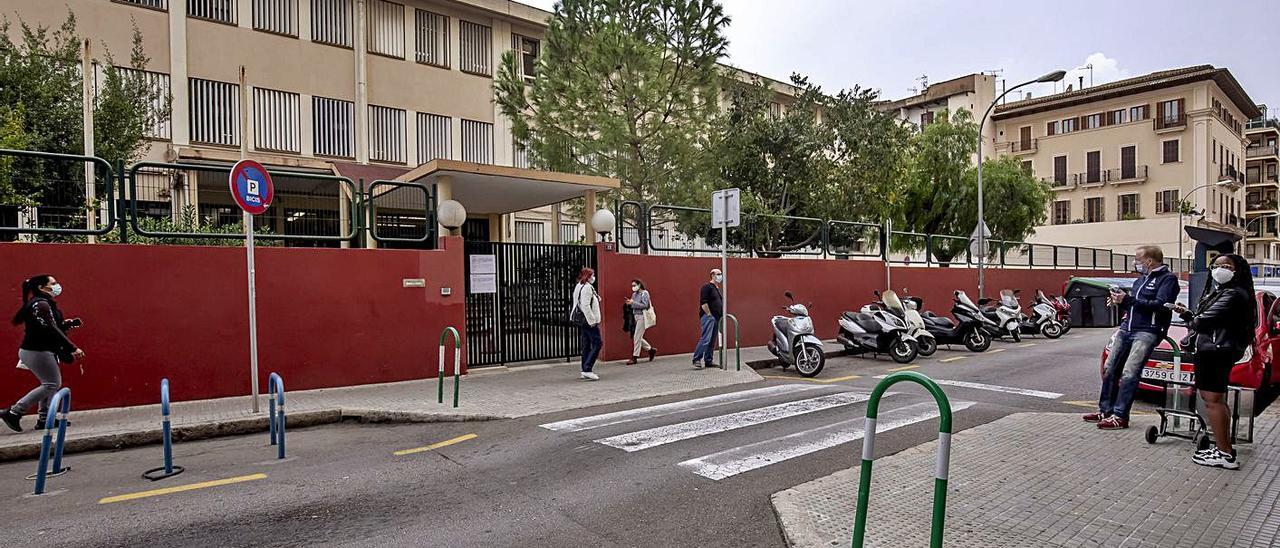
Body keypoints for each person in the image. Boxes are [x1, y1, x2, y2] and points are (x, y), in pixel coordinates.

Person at [1173, 254, 1254, 470]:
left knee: (1212, 401)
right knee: (1217, 400)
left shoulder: (1234, 294)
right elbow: (1204, 318)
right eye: (1216, 265)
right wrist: (1189, 314)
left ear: (1237, 270)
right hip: (1215, 349)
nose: (1220, 269)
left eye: (1226, 266)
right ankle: (1223, 448)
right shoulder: (1225, 292)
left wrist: (1190, 316)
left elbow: (1203, 321)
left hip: (1215, 351)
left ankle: (1224, 454)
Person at [1085, 245, 1179, 430]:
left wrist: (1128, 301)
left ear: (1149, 261)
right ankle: (1106, 410)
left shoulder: (1168, 280)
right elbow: (1134, 305)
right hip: (1126, 329)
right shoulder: (1140, 280)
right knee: (1110, 368)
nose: (1135, 263)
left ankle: (1120, 416)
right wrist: (1120, 302)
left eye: (1138, 259)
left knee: (1130, 372)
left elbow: (1160, 304)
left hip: (1147, 331)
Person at [3, 275, 84, 433]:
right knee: (52, 384)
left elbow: (51, 325)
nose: (57, 286)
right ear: (41, 287)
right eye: (53, 283)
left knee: (49, 383)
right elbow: (50, 329)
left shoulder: (42, 303)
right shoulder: (40, 304)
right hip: (37, 350)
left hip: (40, 349)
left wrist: (66, 324)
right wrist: (73, 348)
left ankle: (45, 418)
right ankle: (14, 412)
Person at [571, 268, 602, 381]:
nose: (594, 277)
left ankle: (584, 369)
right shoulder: (587, 287)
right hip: (589, 321)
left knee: (586, 345)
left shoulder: (580, 285)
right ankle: (587, 369)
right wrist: (592, 321)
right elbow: (585, 306)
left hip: (583, 321)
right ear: (588, 276)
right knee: (598, 343)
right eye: (592, 275)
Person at [691, 268, 723, 369]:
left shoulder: (716, 288)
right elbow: (703, 302)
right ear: (712, 275)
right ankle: (696, 359)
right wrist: (709, 314)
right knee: (706, 339)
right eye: (718, 274)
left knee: (712, 340)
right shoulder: (707, 287)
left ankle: (708, 360)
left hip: (716, 318)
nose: (720, 276)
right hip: (709, 317)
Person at [625, 279, 656, 365]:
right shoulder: (634, 294)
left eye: (634, 285)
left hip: (643, 317)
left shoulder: (644, 293)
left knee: (636, 337)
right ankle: (650, 350)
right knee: (637, 337)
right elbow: (633, 304)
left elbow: (645, 305)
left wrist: (633, 302)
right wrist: (629, 303)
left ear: (639, 285)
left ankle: (635, 357)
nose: (633, 287)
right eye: (632, 286)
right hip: (636, 316)